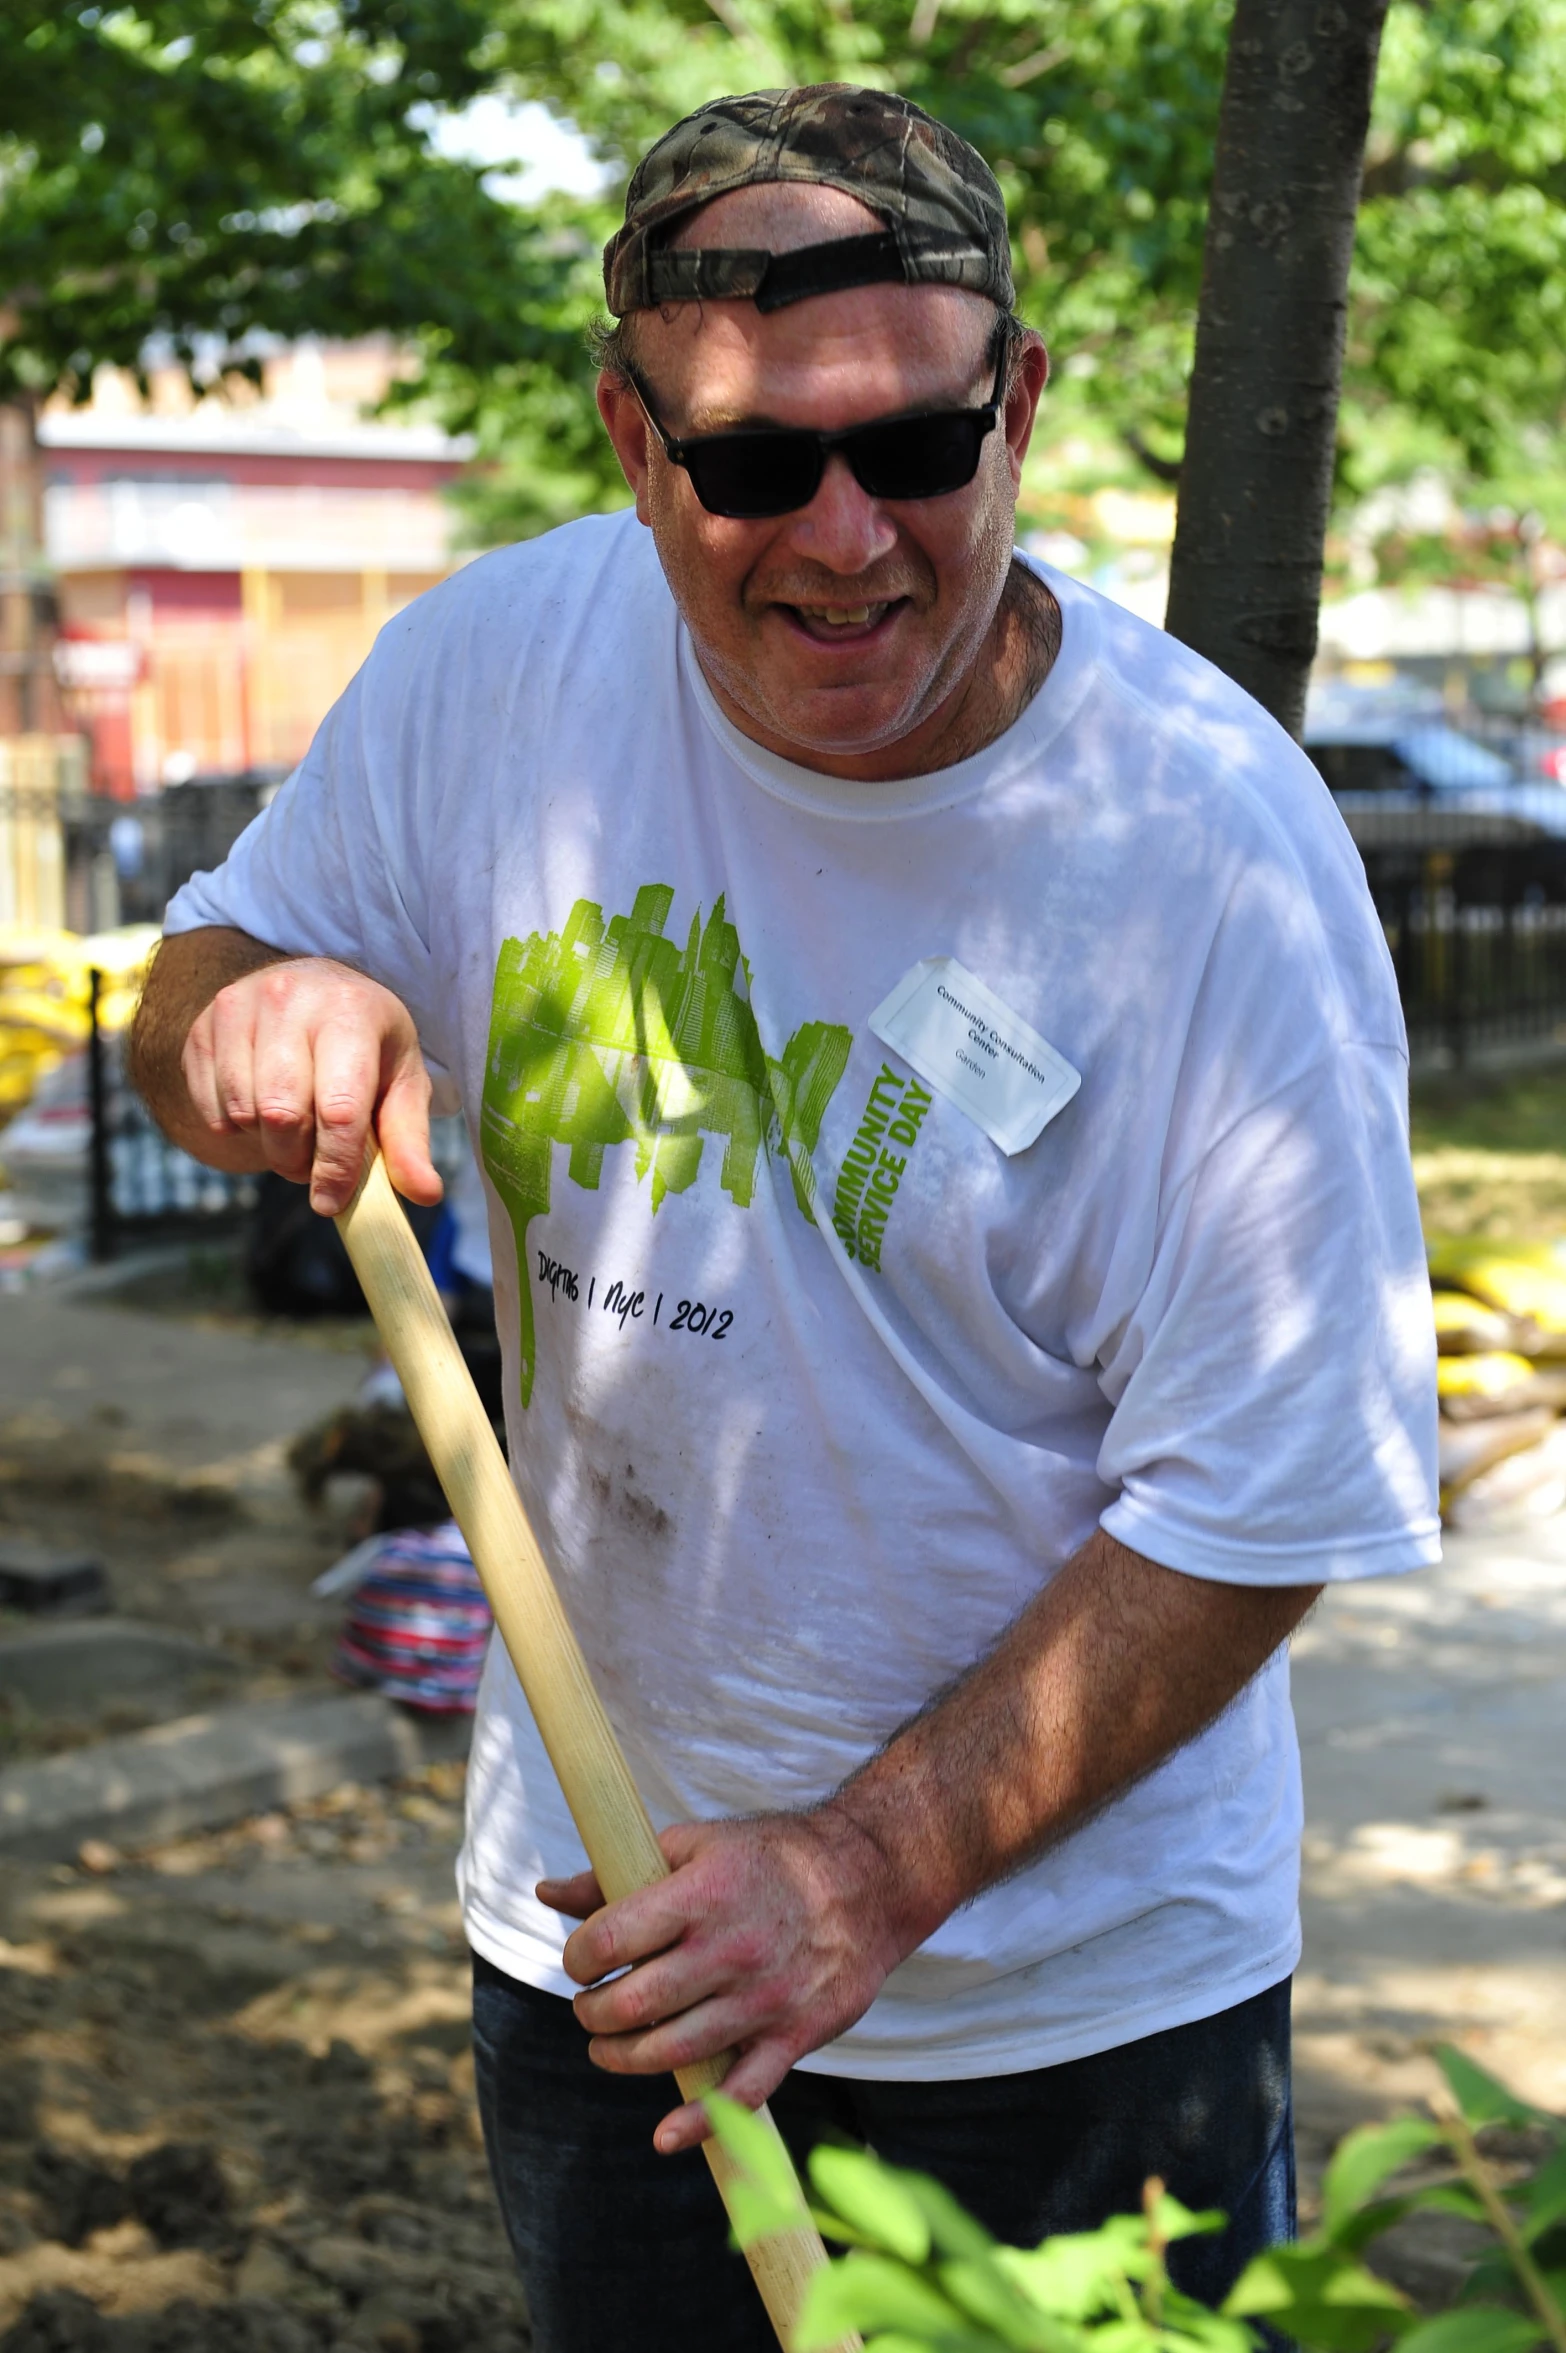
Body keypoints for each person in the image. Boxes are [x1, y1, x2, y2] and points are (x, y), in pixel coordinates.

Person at [131, 84, 1439, 2353]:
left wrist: (866, 1870)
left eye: (916, 448)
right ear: (638, 444)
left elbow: (1265, 1491)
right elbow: (200, 983)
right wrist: (253, 1014)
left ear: (1017, 401)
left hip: (1069, 2020)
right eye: (751, 466)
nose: (844, 537)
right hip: (606, 1954)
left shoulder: (1206, 855)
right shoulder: (492, 679)